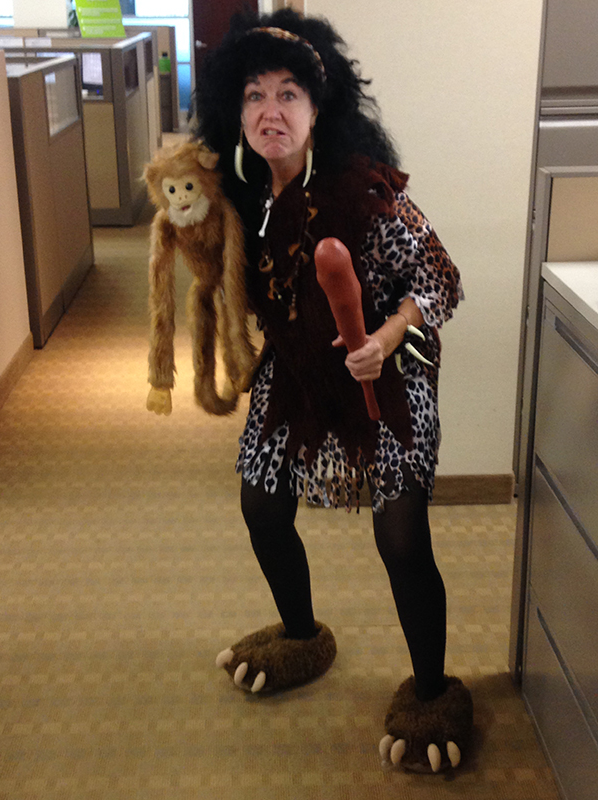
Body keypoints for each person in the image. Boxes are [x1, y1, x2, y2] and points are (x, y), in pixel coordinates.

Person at [193, 8, 472, 773]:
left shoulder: (366, 193)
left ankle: (433, 689)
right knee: (261, 505)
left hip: (389, 372)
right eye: (254, 94)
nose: (270, 110)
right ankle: (301, 635)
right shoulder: (241, 196)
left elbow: (440, 279)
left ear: (319, 109)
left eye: (288, 93)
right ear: (235, 111)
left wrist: (385, 336)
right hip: (296, 371)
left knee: (401, 537)